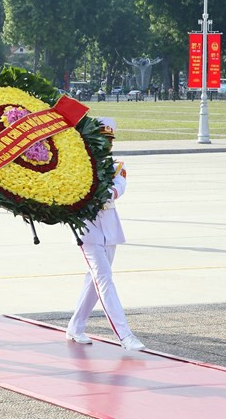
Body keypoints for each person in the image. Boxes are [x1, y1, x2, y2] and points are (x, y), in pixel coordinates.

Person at [66, 117, 145, 351]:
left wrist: (105, 192)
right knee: (104, 279)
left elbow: (119, 187)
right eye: (102, 139)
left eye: (109, 140)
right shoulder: (80, 166)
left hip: (109, 227)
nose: (106, 145)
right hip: (88, 227)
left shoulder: (117, 166)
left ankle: (75, 326)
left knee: (94, 280)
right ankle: (124, 334)